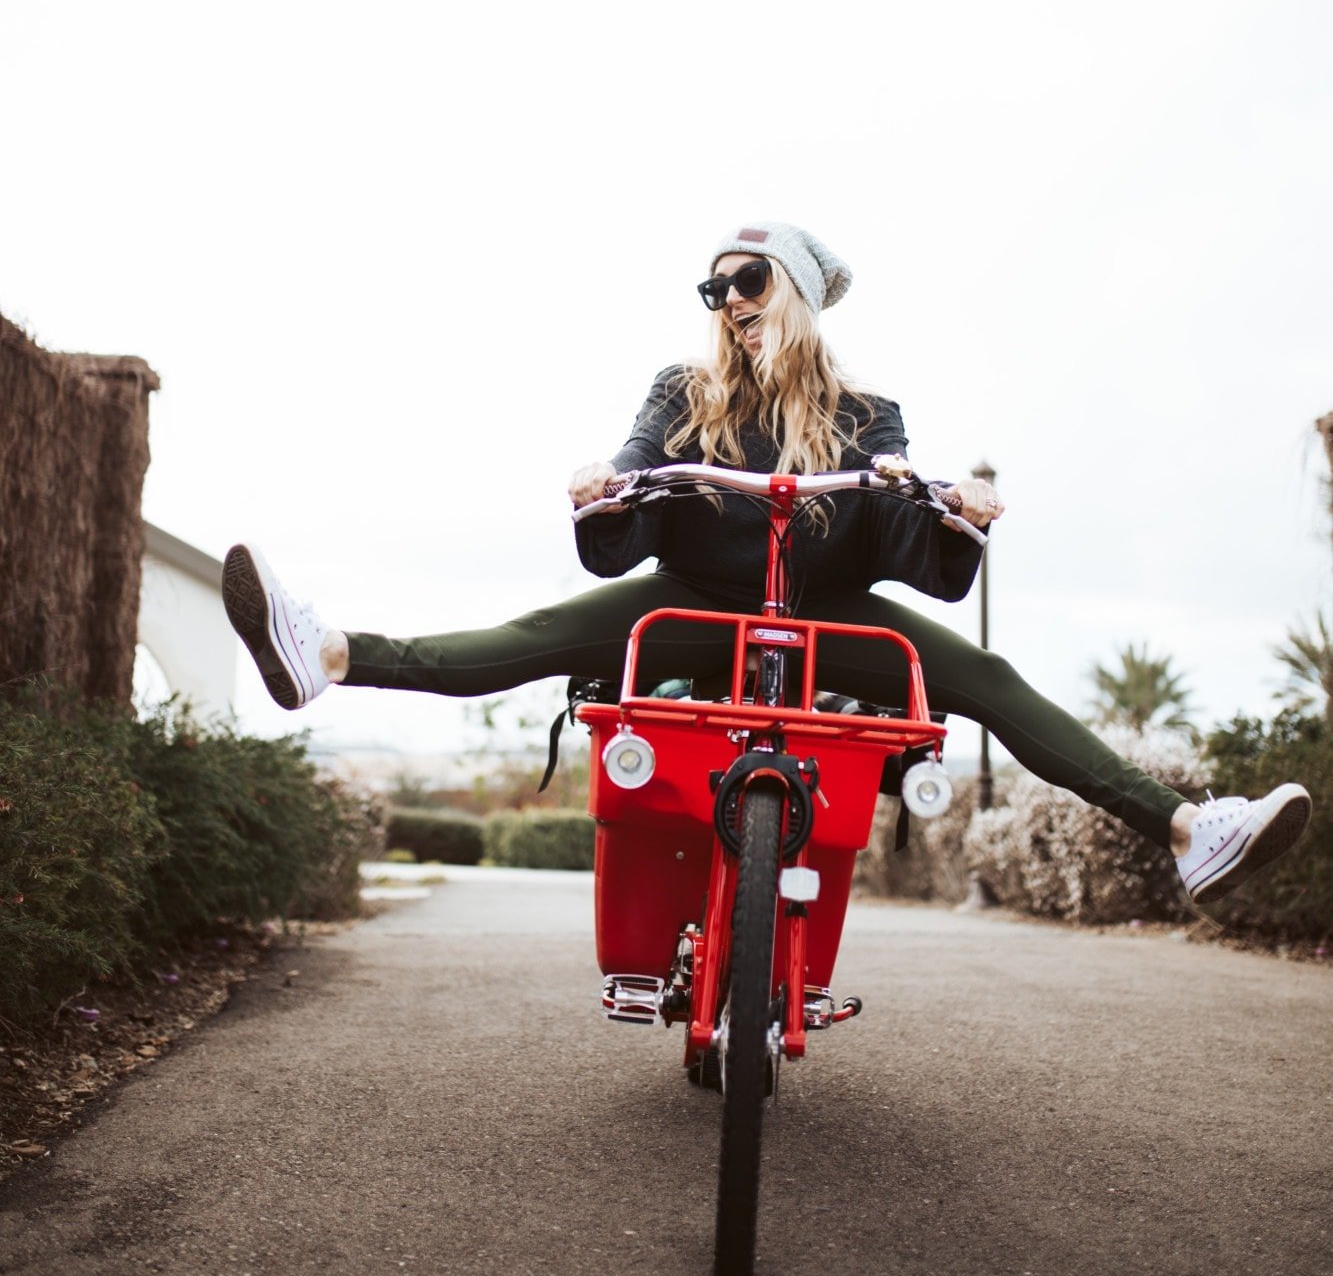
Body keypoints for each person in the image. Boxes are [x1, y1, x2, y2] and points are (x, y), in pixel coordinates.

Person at [223, 220, 1311, 906]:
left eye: (743, 277)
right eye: (711, 289)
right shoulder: (682, 392)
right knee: (525, 639)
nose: (727, 300)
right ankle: (319, 650)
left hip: (835, 611)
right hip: (695, 600)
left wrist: (962, 515)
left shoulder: (870, 412)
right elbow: (632, 494)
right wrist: (605, 479)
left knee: (987, 682)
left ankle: (1187, 826)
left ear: (788, 281)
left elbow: (908, 544)